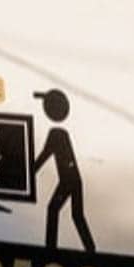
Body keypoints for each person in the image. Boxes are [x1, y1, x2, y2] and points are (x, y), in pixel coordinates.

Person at [33, 88, 94, 253]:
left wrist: (30, 172)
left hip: (70, 181)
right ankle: (90, 250)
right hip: (71, 180)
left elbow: (45, 155)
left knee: (57, 210)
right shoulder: (60, 133)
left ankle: (52, 250)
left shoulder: (56, 135)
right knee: (76, 215)